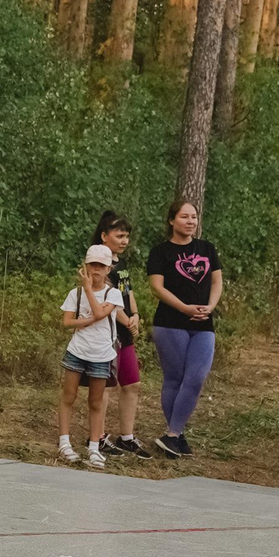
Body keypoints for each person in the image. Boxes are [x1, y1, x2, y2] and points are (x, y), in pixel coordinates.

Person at [146, 200, 223, 456]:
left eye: (194, 217)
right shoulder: (160, 252)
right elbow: (157, 287)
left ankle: (172, 435)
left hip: (203, 324)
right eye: (184, 217)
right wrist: (184, 308)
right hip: (170, 323)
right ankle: (175, 436)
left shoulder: (207, 249)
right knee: (175, 378)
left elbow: (216, 283)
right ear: (171, 220)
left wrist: (210, 307)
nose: (190, 221)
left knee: (196, 378)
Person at [59, 244, 139, 470]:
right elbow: (67, 322)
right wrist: (85, 320)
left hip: (101, 354)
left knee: (95, 401)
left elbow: (99, 313)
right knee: (69, 395)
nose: (96, 270)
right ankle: (64, 442)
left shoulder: (112, 294)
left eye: (101, 266)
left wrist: (89, 294)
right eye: (92, 264)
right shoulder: (74, 294)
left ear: (108, 269)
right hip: (77, 351)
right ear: (85, 266)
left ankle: (94, 446)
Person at [94, 211, 147, 454]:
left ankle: (126, 436)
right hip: (108, 333)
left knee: (132, 384)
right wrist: (127, 321)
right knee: (106, 386)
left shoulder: (121, 264)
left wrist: (135, 315)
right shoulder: (99, 264)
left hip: (125, 334)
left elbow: (128, 292)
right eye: (120, 235)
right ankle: (98, 436)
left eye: (127, 236)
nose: (125, 240)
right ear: (104, 236)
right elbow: (109, 301)